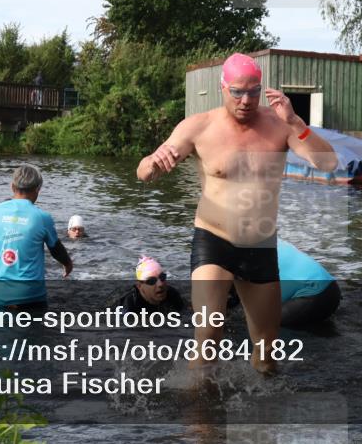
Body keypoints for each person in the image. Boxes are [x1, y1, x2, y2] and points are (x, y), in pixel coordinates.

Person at [136, 52, 337, 374]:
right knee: (208, 337)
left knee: (267, 353)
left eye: (254, 91)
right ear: (223, 87)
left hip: (259, 245)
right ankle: (200, 421)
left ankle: (263, 418)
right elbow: (143, 173)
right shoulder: (198, 127)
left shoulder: (279, 126)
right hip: (213, 241)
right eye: (238, 92)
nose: (246, 100)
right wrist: (154, 161)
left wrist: (296, 122)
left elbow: (328, 164)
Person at [0, 165, 73, 311]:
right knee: (36, 333)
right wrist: (68, 264)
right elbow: (56, 250)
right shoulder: (42, 217)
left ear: (12, 186)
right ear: (37, 189)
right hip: (31, 297)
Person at [112, 256, 186, 316]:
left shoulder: (172, 294)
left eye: (162, 277)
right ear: (139, 286)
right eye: (151, 281)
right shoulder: (130, 305)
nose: (160, 284)